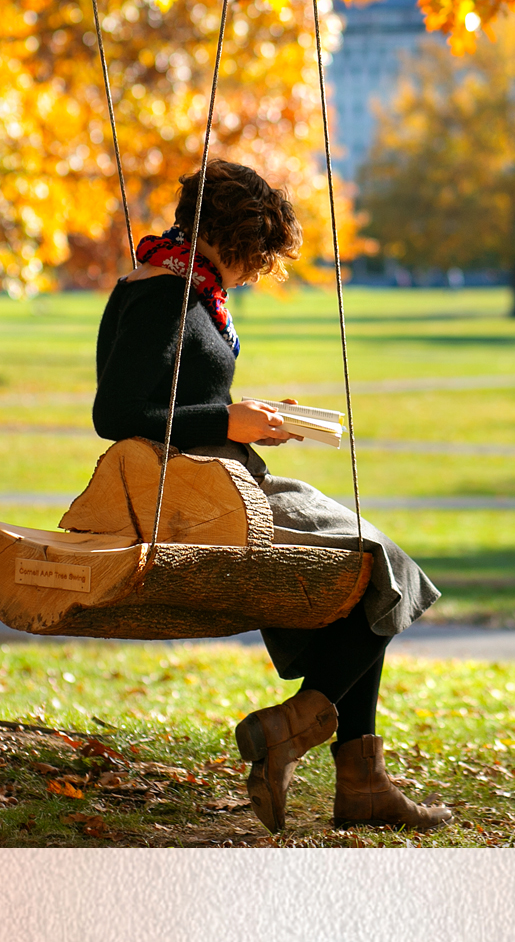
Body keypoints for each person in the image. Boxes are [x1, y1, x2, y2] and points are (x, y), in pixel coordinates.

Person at [92, 158, 452, 839]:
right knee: (380, 566)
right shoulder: (163, 293)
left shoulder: (186, 285)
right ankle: (300, 730)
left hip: (218, 478)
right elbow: (119, 413)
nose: (261, 274)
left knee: (364, 569)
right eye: (262, 258)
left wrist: (244, 416)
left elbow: (170, 399)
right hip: (196, 498)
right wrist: (229, 422)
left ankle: (358, 778)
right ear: (240, 239)